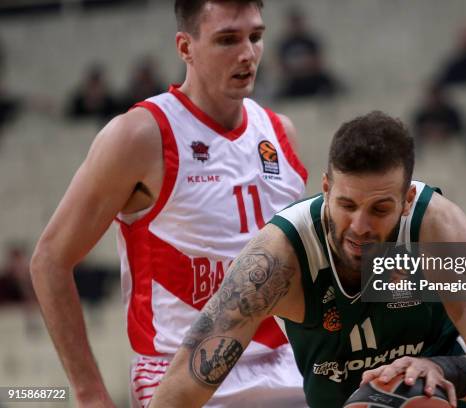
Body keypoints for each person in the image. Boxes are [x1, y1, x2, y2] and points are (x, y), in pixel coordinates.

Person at [30, 1, 308, 407]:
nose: (247, 52)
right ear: (185, 47)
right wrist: (90, 395)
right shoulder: (139, 135)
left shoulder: (280, 132)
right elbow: (50, 260)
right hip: (182, 375)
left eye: (256, 36)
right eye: (227, 39)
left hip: (286, 366)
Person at [150, 111, 466, 408]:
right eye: (347, 205)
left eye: (380, 208)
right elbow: (186, 382)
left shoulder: (436, 229)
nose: (360, 227)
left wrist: (438, 367)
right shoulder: (279, 258)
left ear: (407, 200)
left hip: (453, 398)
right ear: (326, 188)